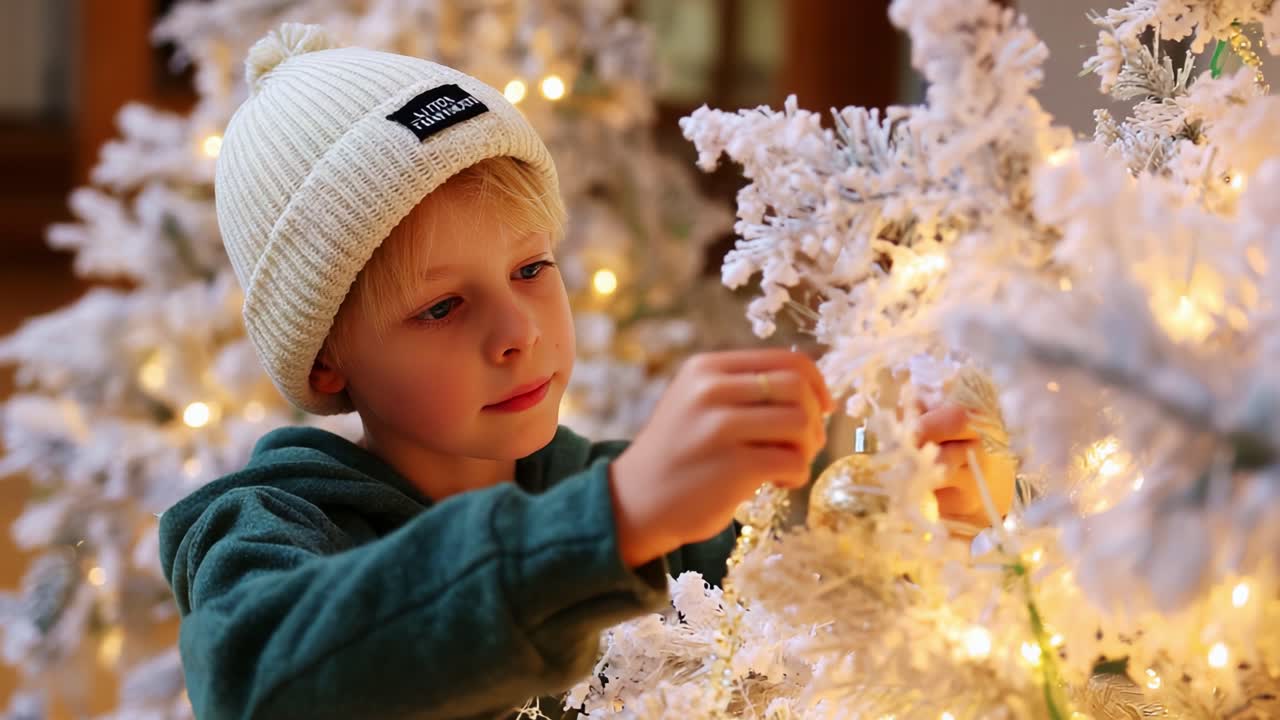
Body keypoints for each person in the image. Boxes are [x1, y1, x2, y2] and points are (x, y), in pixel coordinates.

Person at [157, 23, 1011, 720]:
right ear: (329, 360)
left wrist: (904, 498)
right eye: (443, 306)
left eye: (531, 269)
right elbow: (255, 682)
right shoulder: (263, 526)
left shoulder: (615, 496)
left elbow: (799, 562)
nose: (518, 331)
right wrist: (610, 522)